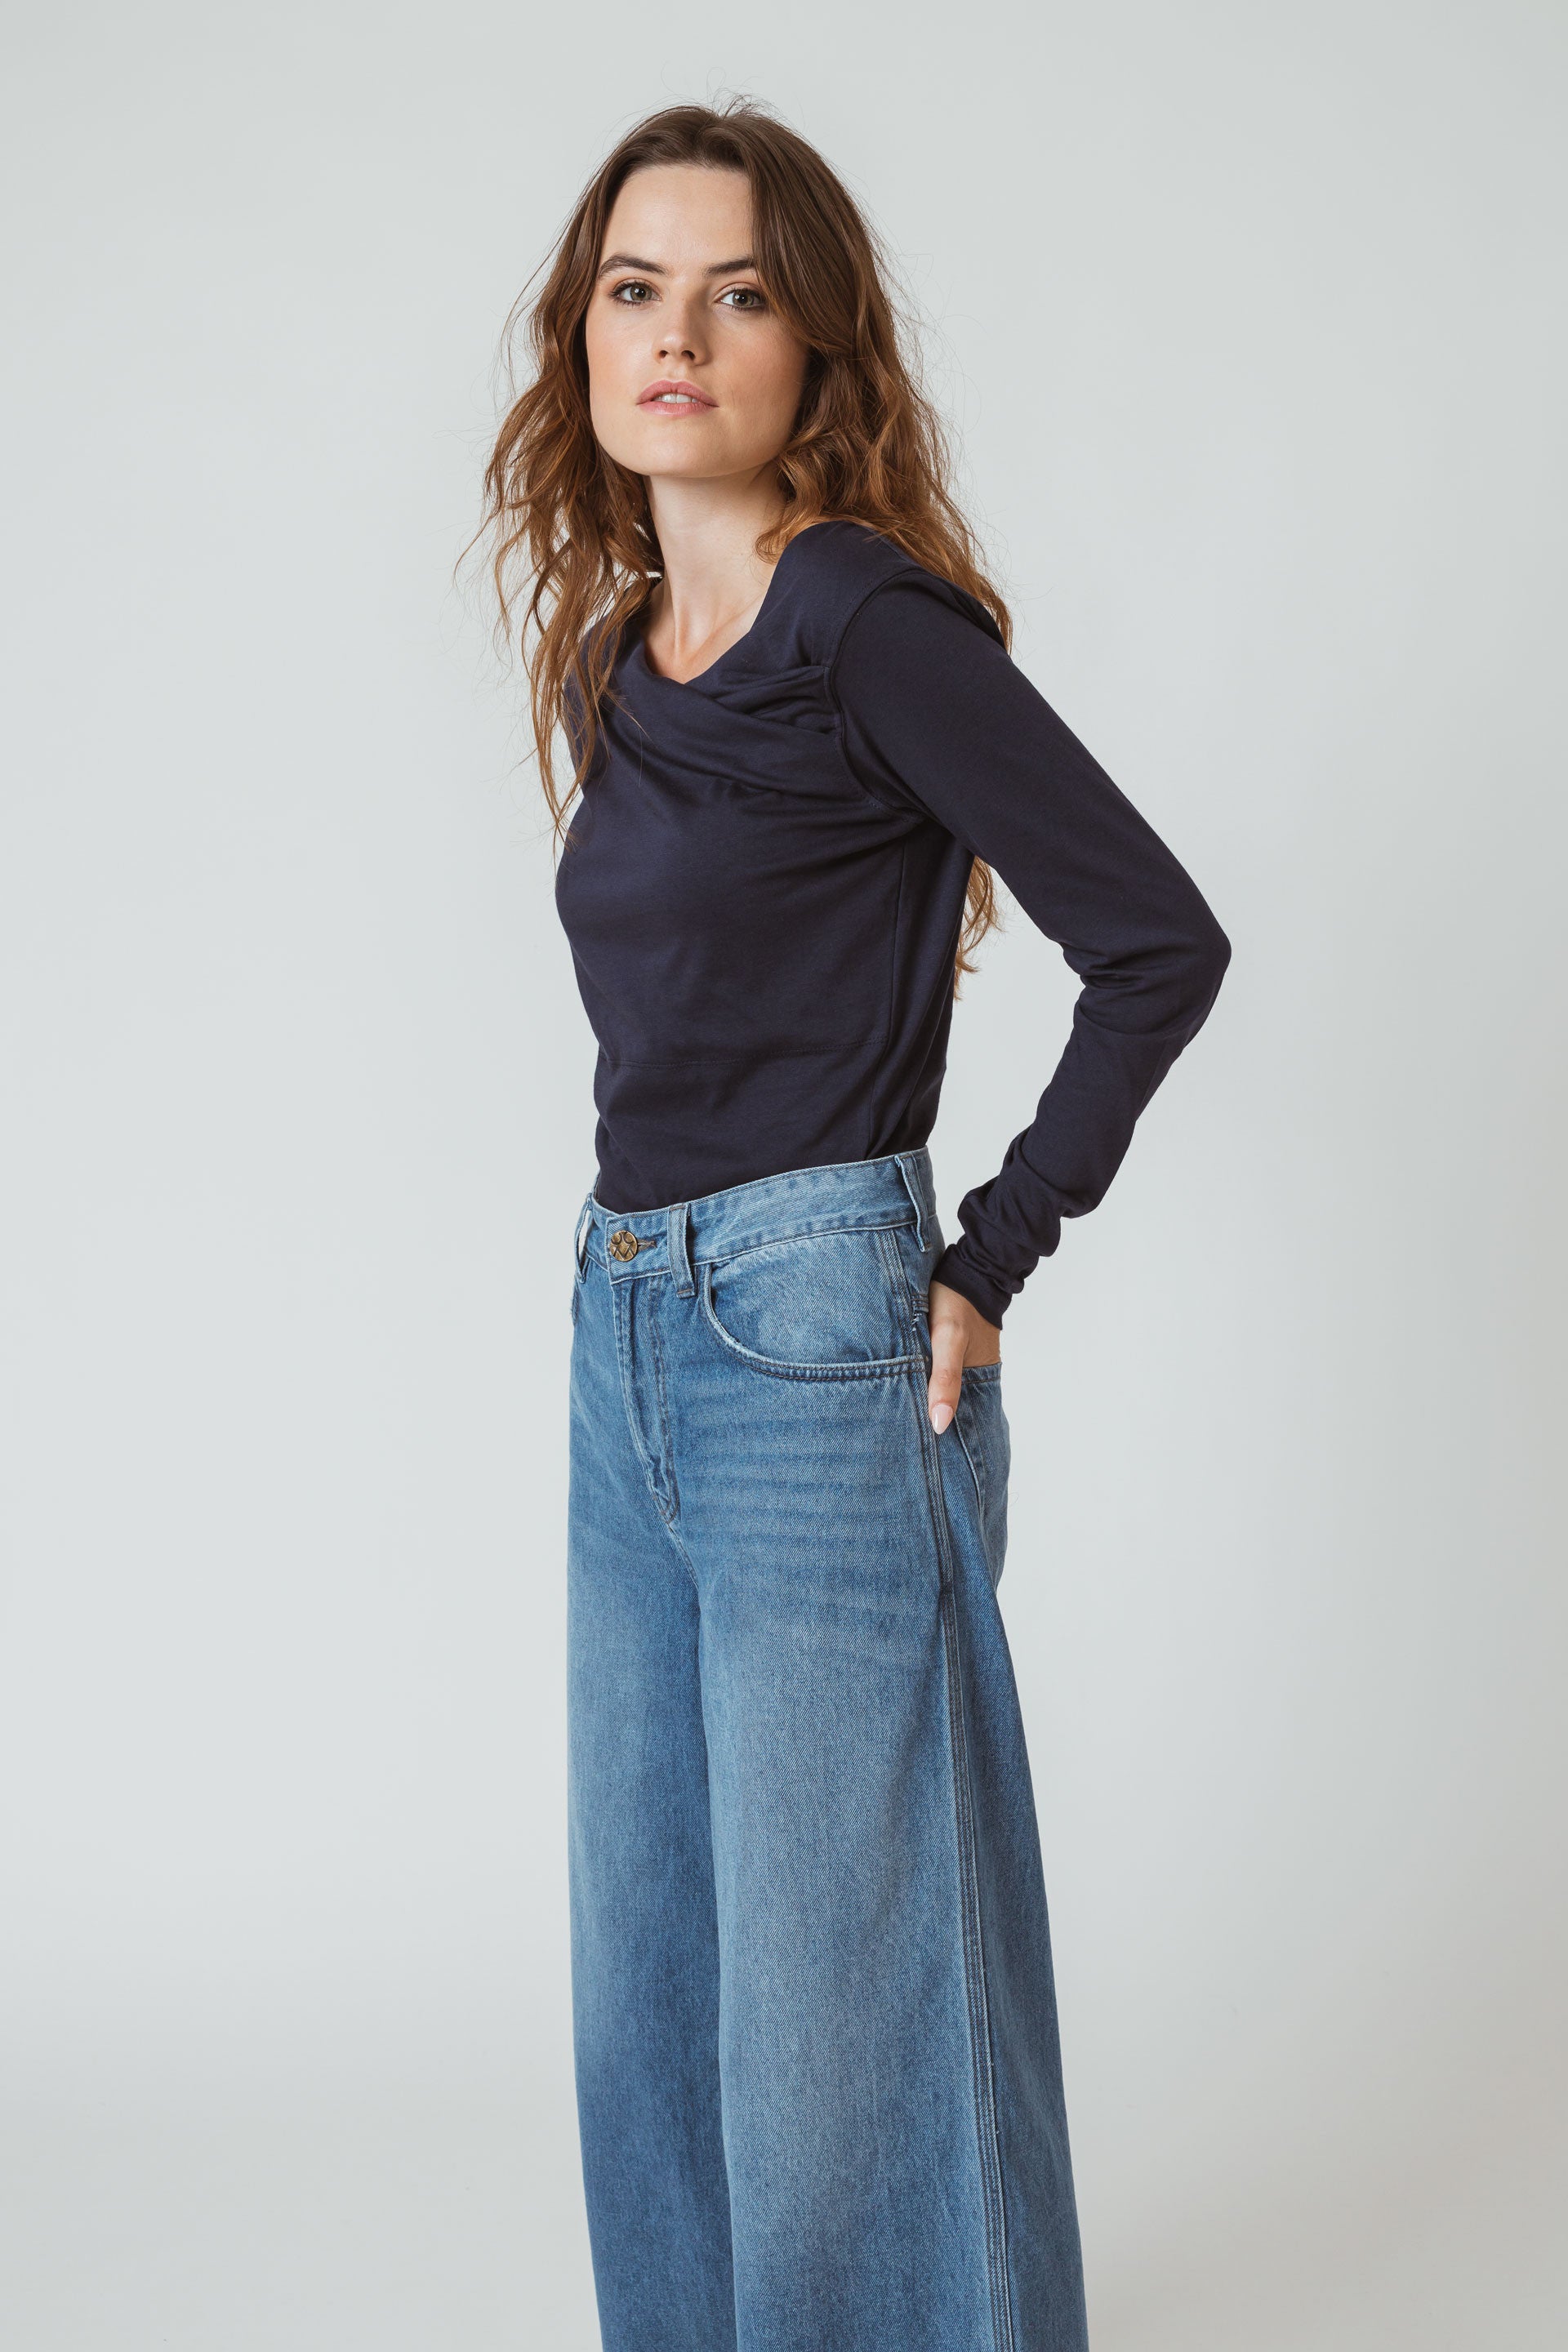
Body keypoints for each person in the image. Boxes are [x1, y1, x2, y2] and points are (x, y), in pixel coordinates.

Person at [476, 98, 1230, 2352]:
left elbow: (1158, 943)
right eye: (636, 291)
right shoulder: (623, 655)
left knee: (845, 2005)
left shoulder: (867, 627)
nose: (677, 337)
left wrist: (992, 1253)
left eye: (738, 295)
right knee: (655, 1981)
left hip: (814, 1333)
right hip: (624, 1323)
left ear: (816, 347)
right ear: (582, 337)